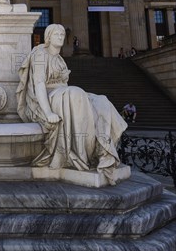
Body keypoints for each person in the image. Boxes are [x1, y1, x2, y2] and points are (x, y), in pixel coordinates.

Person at [16, 24, 127, 184]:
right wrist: (48, 113)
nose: (61, 37)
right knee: (75, 93)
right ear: (48, 37)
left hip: (64, 95)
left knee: (101, 100)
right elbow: (39, 85)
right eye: (57, 34)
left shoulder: (60, 59)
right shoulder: (40, 54)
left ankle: (103, 150)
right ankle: (82, 154)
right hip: (48, 97)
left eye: (62, 34)